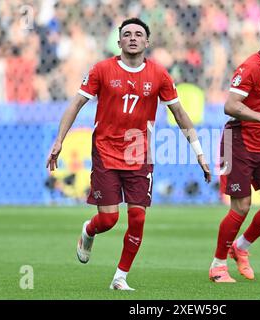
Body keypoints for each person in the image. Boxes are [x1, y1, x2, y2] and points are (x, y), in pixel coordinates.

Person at [46, 18, 211, 290]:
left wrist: (199, 153)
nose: (132, 38)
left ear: (147, 42)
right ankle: (89, 230)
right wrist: (59, 140)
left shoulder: (159, 75)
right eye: (126, 34)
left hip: (139, 154)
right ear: (119, 41)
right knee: (109, 219)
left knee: (138, 217)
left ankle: (120, 277)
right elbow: (76, 104)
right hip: (105, 151)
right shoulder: (102, 70)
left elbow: (179, 113)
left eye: (138, 34)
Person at [209, 16, 260, 283]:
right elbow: (230, 106)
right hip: (239, 142)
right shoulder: (250, 68)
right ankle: (218, 265)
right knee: (241, 206)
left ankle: (241, 247)